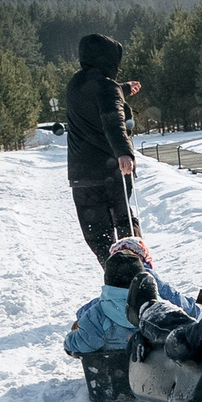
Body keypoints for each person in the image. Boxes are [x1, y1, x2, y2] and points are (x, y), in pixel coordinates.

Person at [65, 33, 140, 261]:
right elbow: (113, 121)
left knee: (98, 237)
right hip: (111, 172)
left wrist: (124, 88)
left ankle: (114, 275)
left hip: (82, 176)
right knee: (125, 226)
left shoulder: (75, 85)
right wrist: (124, 153)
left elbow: (98, 93)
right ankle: (137, 274)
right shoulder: (108, 88)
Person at [65, 249, 148, 357]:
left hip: (113, 370)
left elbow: (86, 342)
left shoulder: (98, 314)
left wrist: (70, 340)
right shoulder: (157, 308)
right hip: (157, 371)